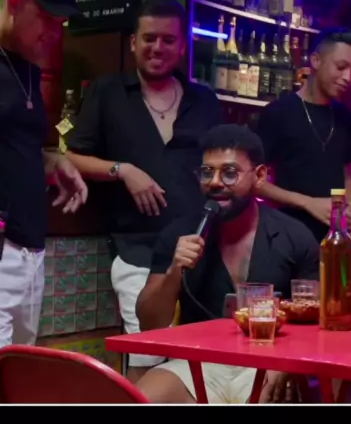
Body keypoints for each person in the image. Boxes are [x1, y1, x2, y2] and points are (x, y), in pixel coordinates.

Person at [66, 0, 222, 381]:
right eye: (149, 38)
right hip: (138, 251)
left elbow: (224, 161)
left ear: (182, 46)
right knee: (147, 358)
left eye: (168, 40)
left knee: (206, 358)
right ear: (133, 42)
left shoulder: (204, 100)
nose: (157, 47)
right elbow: (72, 158)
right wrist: (123, 170)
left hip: (201, 252)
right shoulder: (108, 92)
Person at [135, 124, 319, 404]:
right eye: (207, 172)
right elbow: (149, 324)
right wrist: (174, 271)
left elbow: (318, 323)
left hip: (270, 362)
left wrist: (289, 363)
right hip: (197, 362)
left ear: (259, 176)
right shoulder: (179, 234)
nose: (215, 182)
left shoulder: (295, 236)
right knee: (140, 399)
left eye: (229, 173)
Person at [0, 0, 88, 355]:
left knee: (17, 375)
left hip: (30, 252)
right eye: (47, 18)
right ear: (15, 3)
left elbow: (13, 146)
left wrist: (53, 161)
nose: (55, 32)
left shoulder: (27, 68)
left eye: (61, 22)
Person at [255, 27, 351, 246]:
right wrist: (308, 203)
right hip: (287, 238)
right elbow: (255, 182)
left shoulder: (344, 116)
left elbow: (346, 177)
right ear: (316, 60)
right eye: (341, 67)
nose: (348, 78)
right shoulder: (278, 113)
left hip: (333, 241)